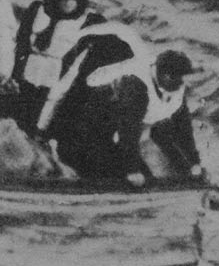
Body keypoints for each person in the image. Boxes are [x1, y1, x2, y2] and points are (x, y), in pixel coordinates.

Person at [36, 30, 202, 185]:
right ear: (164, 75)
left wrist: (193, 163)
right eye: (177, 79)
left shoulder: (176, 86)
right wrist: (132, 171)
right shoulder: (136, 85)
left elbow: (182, 127)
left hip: (110, 132)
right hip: (84, 132)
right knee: (125, 176)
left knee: (146, 178)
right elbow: (128, 131)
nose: (182, 84)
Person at [9, 0, 105, 135]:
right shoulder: (38, 9)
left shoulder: (84, 20)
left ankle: (34, 132)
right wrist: (17, 68)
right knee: (20, 103)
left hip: (54, 70)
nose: (68, 3)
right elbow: (22, 39)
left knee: (43, 107)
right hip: (31, 65)